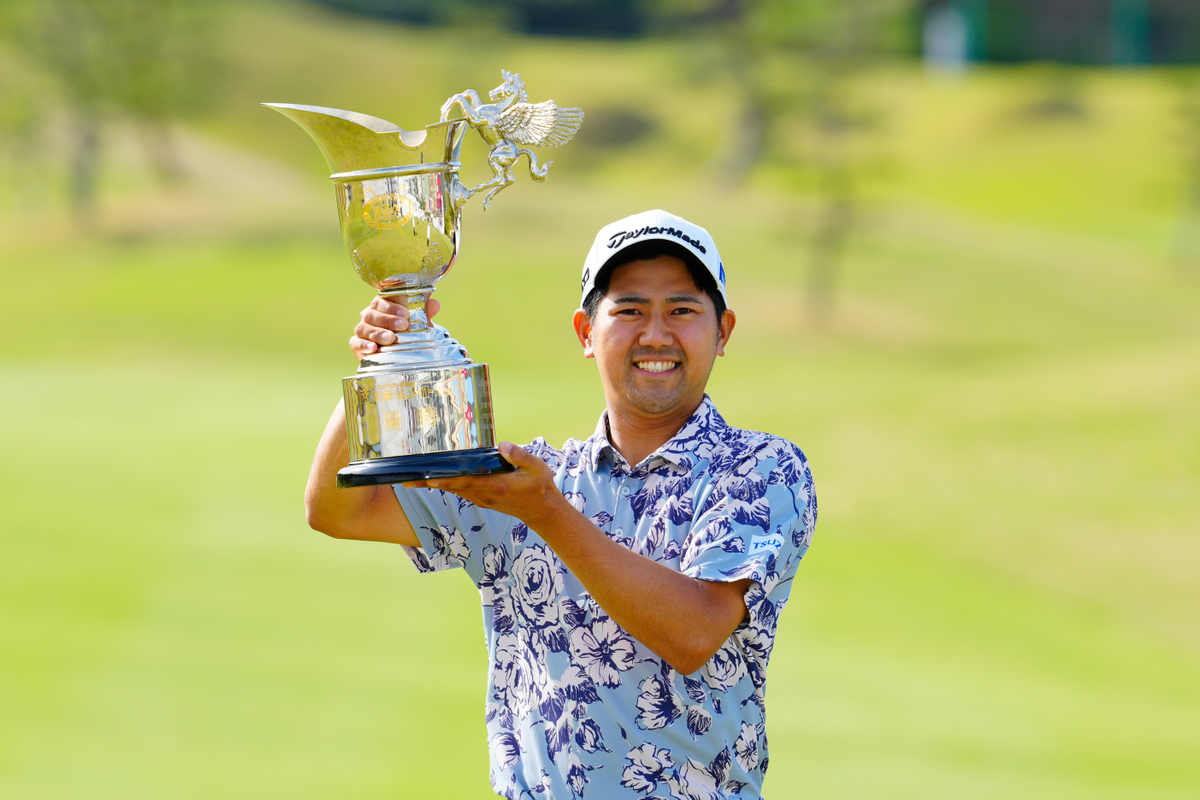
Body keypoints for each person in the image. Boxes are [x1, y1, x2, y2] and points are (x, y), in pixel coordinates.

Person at [305, 209, 817, 799]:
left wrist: (547, 511)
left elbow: (694, 631)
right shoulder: (531, 484)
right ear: (585, 332)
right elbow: (339, 510)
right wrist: (386, 360)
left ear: (722, 331)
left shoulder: (760, 470)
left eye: (681, 310)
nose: (655, 335)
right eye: (628, 310)